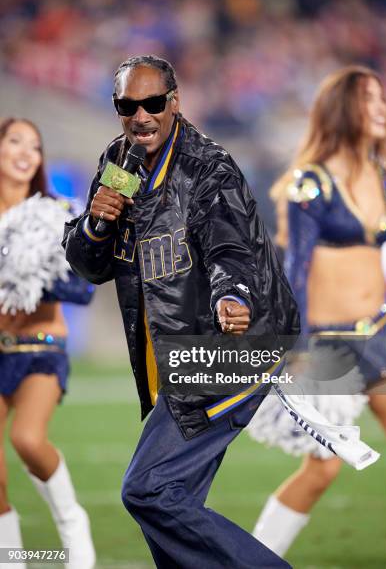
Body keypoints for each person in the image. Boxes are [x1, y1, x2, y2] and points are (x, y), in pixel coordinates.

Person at [63, 54, 300, 568]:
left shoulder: (208, 168)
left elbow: (229, 247)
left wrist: (231, 295)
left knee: (147, 490)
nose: (140, 116)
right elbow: (89, 265)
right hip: (174, 350)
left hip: (234, 342)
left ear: (175, 102)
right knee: (172, 511)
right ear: (116, 107)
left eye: (152, 103)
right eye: (128, 105)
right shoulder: (120, 162)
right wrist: (95, 226)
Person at [247, 65, 386, 568]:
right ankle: (250, 561)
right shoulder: (308, 185)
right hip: (326, 348)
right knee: (321, 472)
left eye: (383, 99)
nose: (382, 108)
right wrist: (293, 349)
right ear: (342, 110)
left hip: (382, 336)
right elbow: (296, 270)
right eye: (369, 100)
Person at [0, 118, 96, 569]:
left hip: (41, 347)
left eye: (34, 146)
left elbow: (85, 289)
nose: (25, 152)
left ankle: (71, 521)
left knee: (26, 439)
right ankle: (12, 559)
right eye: (15, 141)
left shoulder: (56, 210)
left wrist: (31, 277)